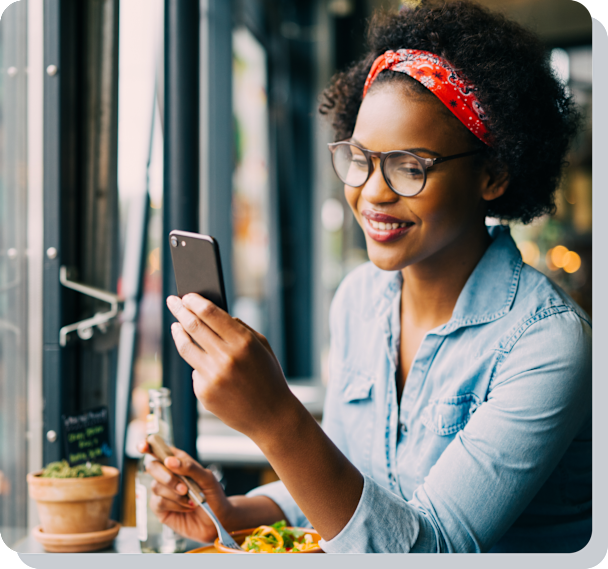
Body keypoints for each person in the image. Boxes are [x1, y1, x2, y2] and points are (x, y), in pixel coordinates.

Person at [138, 0, 591, 553]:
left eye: (409, 167)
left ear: (492, 176)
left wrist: (276, 419)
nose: (372, 193)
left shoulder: (547, 344)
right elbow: (352, 487)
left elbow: (430, 551)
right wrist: (230, 512)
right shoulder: (358, 298)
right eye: (360, 157)